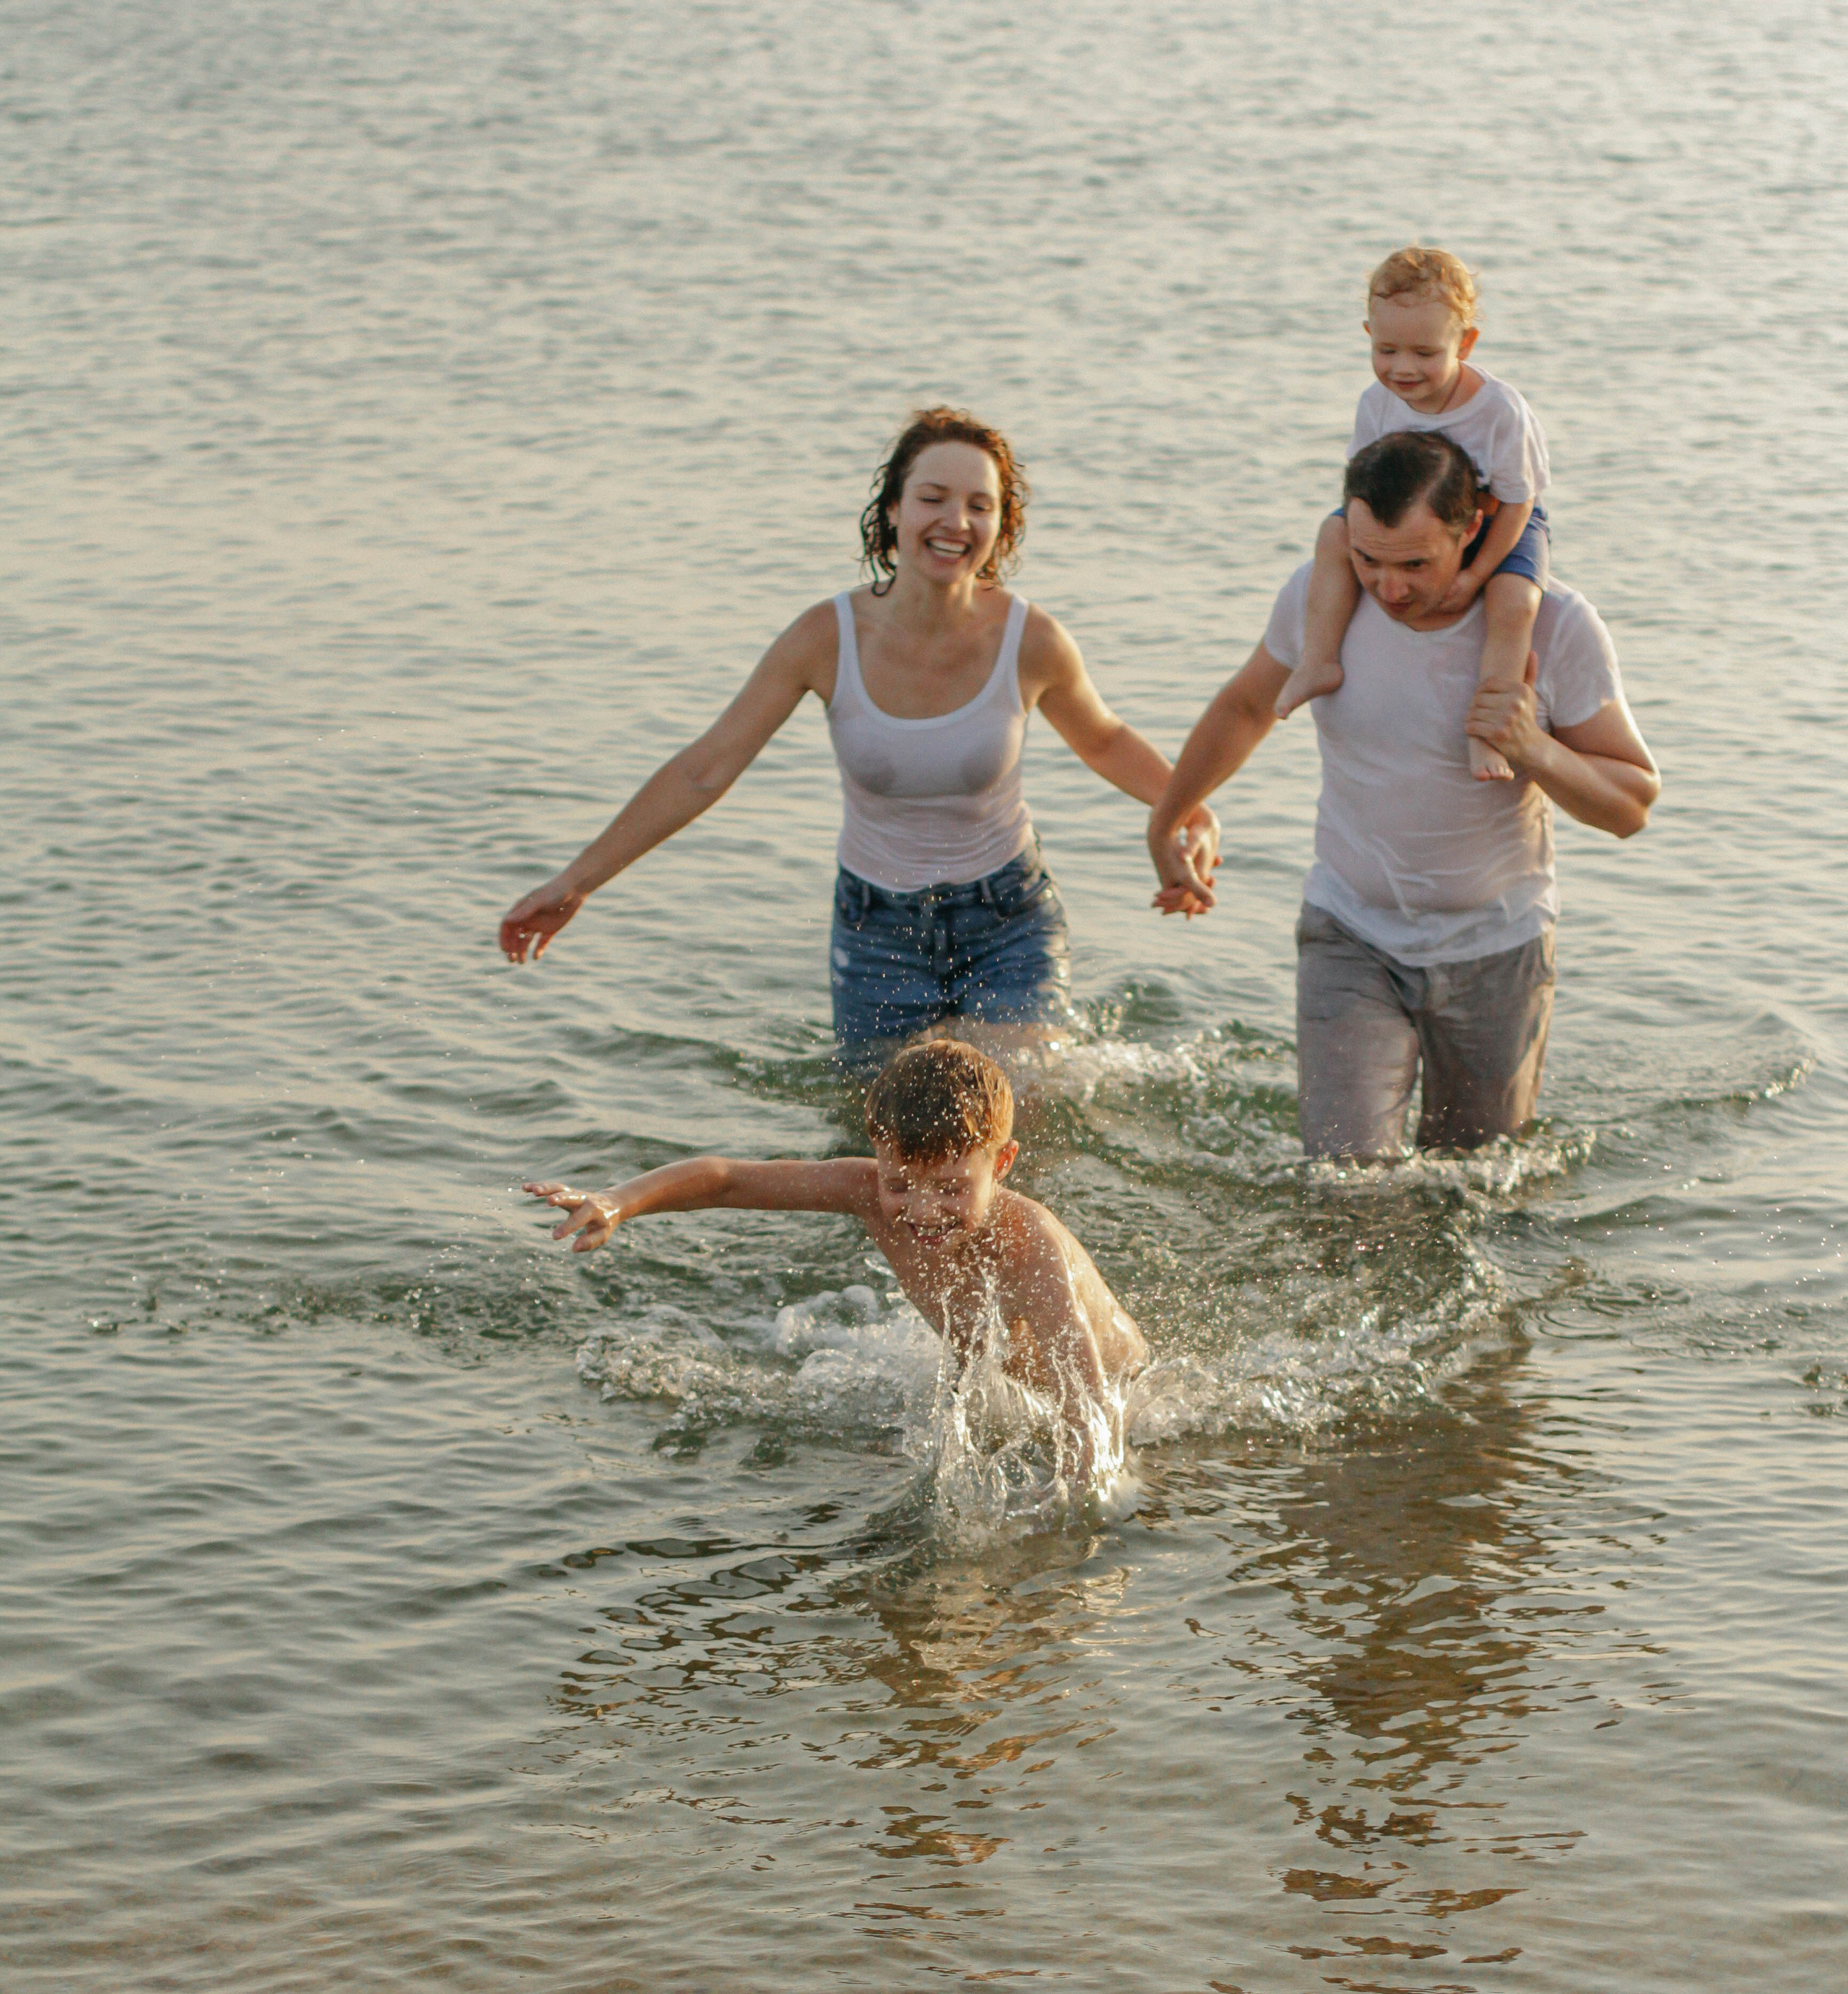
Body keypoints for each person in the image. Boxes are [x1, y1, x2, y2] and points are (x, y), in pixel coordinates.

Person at [500, 409, 1218, 1065]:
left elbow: (1103, 739)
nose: (955, 521)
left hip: (1007, 918)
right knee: (885, 1153)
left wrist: (1188, 810)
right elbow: (705, 770)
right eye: (933, 497)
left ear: (1003, 525)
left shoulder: (1031, 641)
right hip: (876, 930)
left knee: (1014, 1119)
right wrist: (577, 881)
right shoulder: (825, 639)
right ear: (894, 511)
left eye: (980, 505)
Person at [1147, 431, 1660, 1163]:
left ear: (1474, 529)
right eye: (1367, 560)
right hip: (1350, 936)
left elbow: (1631, 805)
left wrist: (1534, 748)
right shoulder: (1321, 601)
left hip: (1498, 949)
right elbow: (1243, 709)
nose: (1388, 590)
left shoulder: (1553, 623)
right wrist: (1166, 820)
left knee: (1476, 1187)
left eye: (1415, 564)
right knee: (1342, 1180)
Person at [526, 1037, 1146, 1483]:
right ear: (876, 1148)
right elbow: (728, 1182)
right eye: (900, 1183)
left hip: (1130, 1396)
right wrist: (618, 1201)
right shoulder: (862, 1191)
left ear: (1002, 1165)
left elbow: (1088, 1403)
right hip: (1008, 1381)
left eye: (953, 1188)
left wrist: (1070, 1519)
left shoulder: (1027, 1243)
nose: (924, 1212)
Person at [1274, 247, 1552, 783]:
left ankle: (1486, 729)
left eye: (1425, 353)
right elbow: (1364, 493)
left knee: (1515, 602)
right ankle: (1319, 660)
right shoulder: (1375, 404)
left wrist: (1475, 573)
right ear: (1368, 336)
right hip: (1407, 520)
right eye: (1386, 350)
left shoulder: (1498, 411)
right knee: (1332, 533)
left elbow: (1519, 502)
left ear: (1465, 344)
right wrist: (1372, 560)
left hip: (1499, 516)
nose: (1403, 368)